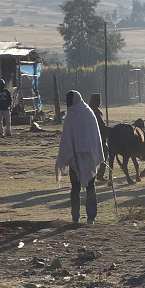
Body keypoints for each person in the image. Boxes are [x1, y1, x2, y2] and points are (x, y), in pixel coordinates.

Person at [55, 90, 104, 224]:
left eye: (68, 100)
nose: (67, 103)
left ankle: (76, 217)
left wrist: (66, 156)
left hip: (76, 157)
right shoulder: (88, 112)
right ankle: (90, 217)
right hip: (88, 156)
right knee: (90, 187)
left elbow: (66, 139)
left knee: (76, 188)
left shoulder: (72, 115)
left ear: (73, 100)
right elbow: (94, 135)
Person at [88, 93, 108, 181]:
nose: (100, 102)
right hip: (97, 138)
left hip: (92, 137)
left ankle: (93, 175)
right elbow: (101, 126)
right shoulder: (95, 111)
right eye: (98, 101)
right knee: (104, 155)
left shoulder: (89, 109)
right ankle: (98, 175)